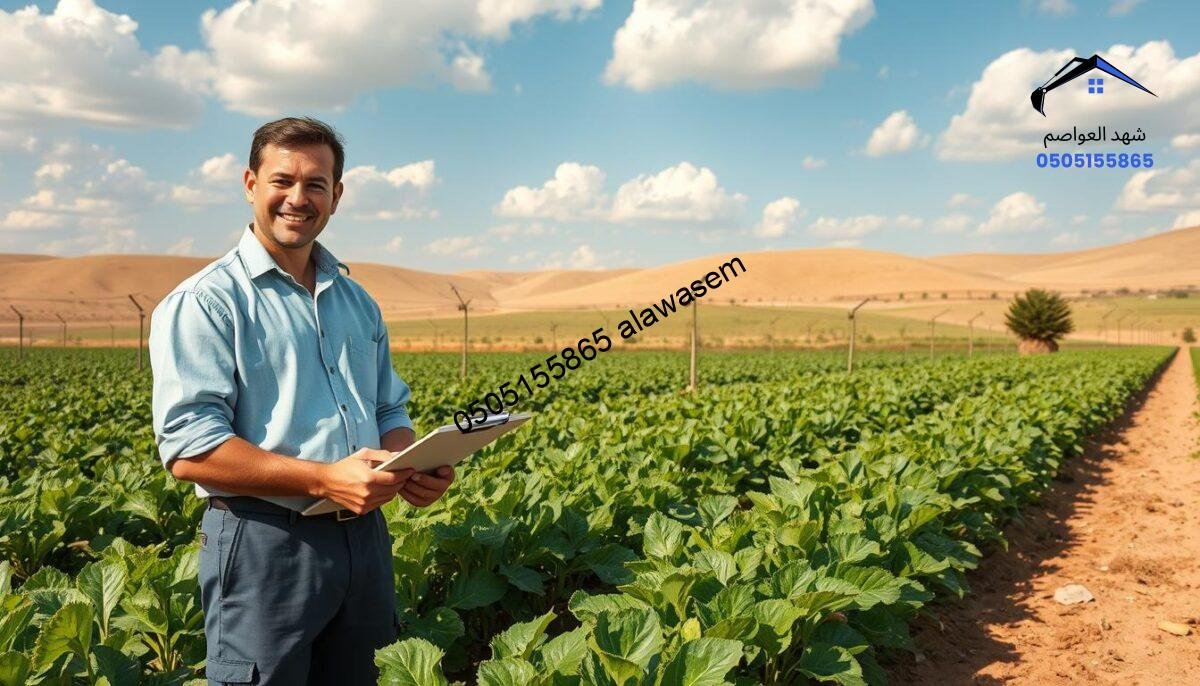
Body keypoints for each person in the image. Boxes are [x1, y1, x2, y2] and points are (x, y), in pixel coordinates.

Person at [149, 117, 454, 685]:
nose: (298, 198)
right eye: (281, 180)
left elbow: (389, 410)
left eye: (316, 183)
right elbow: (190, 450)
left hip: (364, 541)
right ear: (249, 183)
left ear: (336, 195)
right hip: (264, 542)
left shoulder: (356, 300)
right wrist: (321, 478)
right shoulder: (208, 301)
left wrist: (407, 465)